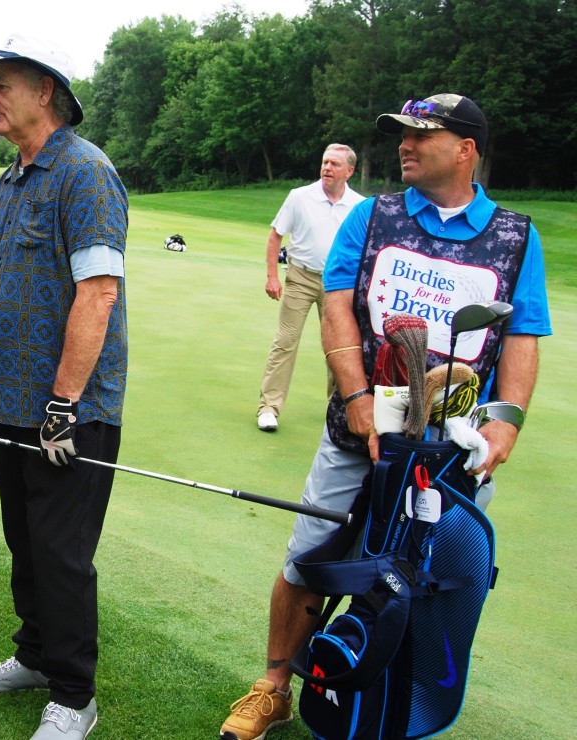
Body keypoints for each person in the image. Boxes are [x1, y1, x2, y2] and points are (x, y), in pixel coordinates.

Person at [218, 93, 551, 740]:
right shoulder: (374, 215)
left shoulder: (517, 235)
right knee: (308, 561)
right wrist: (358, 401)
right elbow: (338, 307)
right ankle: (275, 686)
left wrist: (504, 424)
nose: (405, 144)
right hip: (358, 435)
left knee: (425, 580)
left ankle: (394, 702)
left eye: (421, 135)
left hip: (450, 455)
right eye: (400, 133)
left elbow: (522, 337)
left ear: (465, 149)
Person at [0, 36, 129, 739]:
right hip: (8, 405)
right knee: (26, 542)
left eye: (1, 84)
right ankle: (34, 656)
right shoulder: (7, 183)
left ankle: (75, 694)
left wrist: (62, 406)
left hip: (69, 413)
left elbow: (98, 293)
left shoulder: (85, 173)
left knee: (61, 554)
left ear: (44, 92)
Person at [255, 144, 364, 432]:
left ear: (349, 171)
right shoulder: (300, 197)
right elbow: (275, 236)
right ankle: (269, 407)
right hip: (301, 277)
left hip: (339, 285)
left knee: (340, 346)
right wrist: (272, 277)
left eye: (335, 164)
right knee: (286, 341)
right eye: (325, 162)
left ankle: (340, 406)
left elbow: (365, 251)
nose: (327, 168)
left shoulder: (360, 206)